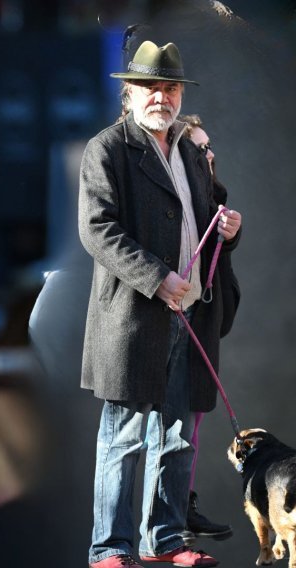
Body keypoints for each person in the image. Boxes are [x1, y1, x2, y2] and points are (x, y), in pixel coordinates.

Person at [79, 41, 242, 568]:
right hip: (134, 317)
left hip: (192, 313)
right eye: (150, 87)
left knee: (177, 436)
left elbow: (207, 216)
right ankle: (111, 549)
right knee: (124, 438)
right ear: (128, 94)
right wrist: (158, 277)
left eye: (170, 87)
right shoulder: (106, 149)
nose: (161, 96)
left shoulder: (192, 153)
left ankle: (165, 541)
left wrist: (228, 230)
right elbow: (97, 230)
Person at [176, 114, 239, 543]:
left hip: (202, 314)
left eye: (209, 145)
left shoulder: (210, 195)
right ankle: (168, 511)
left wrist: (230, 234)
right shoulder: (175, 193)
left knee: (191, 421)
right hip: (173, 314)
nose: (210, 153)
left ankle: (181, 503)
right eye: (200, 147)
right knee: (168, 426)